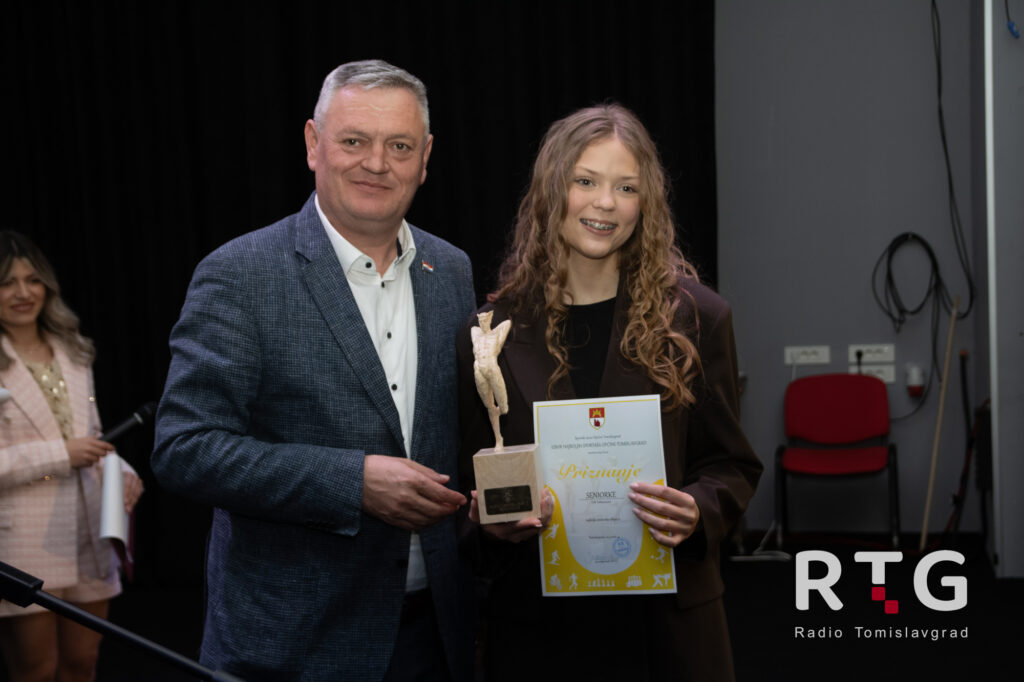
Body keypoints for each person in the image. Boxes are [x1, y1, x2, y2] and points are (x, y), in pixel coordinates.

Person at [152, 60, 476, 681]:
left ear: (426, 157)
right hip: (294, 647)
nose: (377, 163)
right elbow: (185, 448)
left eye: (399, 146)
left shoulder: (452, 270)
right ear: (312, 143)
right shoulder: (240, 274)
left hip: (436, 636)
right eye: (354, 140)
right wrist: (351, 482)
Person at [456, 104, 763, 681]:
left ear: (646, 204)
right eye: (586, 181)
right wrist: (490, 522)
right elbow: (470, 487)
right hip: (538, 634)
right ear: (552, 191)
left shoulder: (697, 319)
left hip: (665, 632)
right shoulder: (490, 334)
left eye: (626, 187)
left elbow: (731, 465)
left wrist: (697, 509)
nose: (605, 203)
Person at [0, 230, 144, 682]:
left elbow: (92, 438)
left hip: (91, 529)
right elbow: (70, 449)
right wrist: (62, 454)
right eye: (7, 282)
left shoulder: (74, 351)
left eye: (32, 280)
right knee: (37, 672)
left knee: (83, 664)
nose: (23, 293)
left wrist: (121, 470)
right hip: (23, 540)